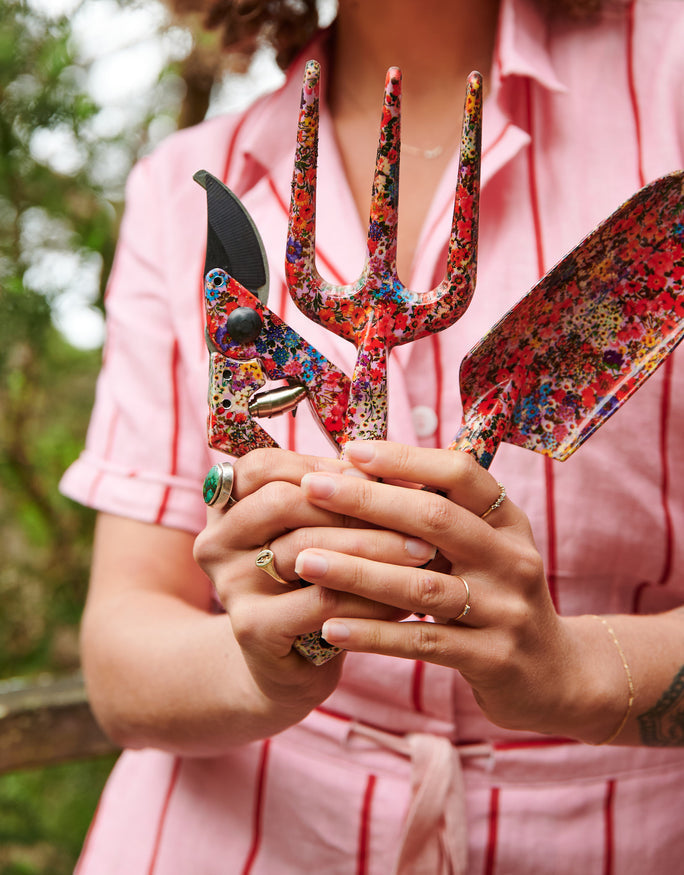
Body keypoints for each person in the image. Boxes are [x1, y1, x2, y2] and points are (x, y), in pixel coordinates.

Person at [61, 0, 684, 871]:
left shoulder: (669, 82)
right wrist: (259, 664)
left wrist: (580, 668)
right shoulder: (187, 181)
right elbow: (122, 656)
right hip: (235, 835)